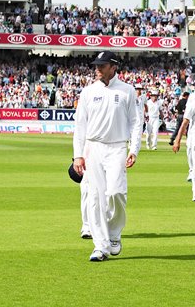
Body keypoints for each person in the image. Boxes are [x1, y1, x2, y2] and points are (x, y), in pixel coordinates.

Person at [72, 50, 143, 262]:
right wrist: (78, 155)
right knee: (94, 198)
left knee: (116, 194)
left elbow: (136, 122)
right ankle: (100, 246)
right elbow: (80, 125)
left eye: (102, 66)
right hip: (93, 148)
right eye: (96, 66)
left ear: (113, 67)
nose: (97, 69)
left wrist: (134, 149)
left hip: (117, 148)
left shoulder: (127, 91)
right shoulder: (87, 92)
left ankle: (114, 234)